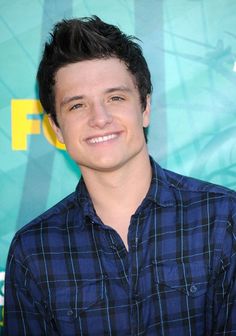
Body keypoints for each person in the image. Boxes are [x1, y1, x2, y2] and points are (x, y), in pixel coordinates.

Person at [4, 16, 236, 336]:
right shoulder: (33, 250)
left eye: (115, 98)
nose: (100, 118)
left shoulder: (223, 218)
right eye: (77, 106)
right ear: (56, 128)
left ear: (145, 108)